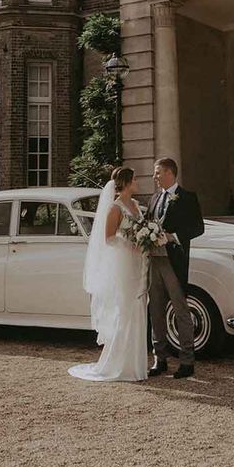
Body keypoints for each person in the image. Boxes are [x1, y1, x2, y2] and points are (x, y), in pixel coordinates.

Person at [68, 166, 148, 383]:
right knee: (126, 309)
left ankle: (137, 365)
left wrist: (146, 239)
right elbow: (109, 238)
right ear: (127, 182)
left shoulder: (136, 205)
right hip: (124, 264)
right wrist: (131, 242)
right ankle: (119, 364)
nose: (137, 181)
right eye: (135, 179)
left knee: (138, 308)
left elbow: (141, 228)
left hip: (138, 262)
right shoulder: (116, 208)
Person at [148, 157, 204, 379]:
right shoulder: (153, 198)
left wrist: (174, 236)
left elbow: (198, 227)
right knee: (156, 311)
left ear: (170, 173)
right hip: (154, 260)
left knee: (181, 311)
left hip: (175, 261)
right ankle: (159, 359)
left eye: (158, 172)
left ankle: (187, 361)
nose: (155, 176)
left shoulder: (188, 197)